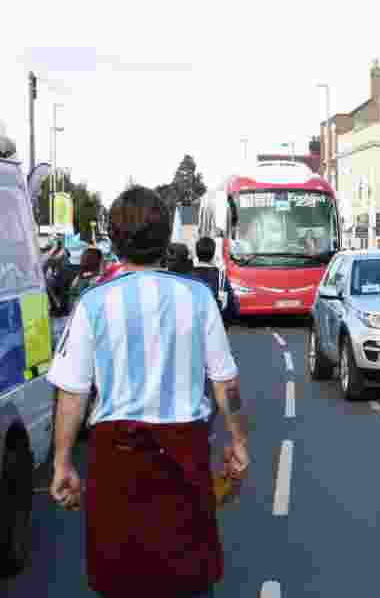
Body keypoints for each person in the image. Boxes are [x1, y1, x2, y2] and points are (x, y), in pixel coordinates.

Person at [47, 186, 249, 598]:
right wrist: (238, 439)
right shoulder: (198, 298)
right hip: (184, 454)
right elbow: (225, 383)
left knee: (121, 577)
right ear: (164, 239)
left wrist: (62, 461)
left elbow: (72, 393)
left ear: (115, 240)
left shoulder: (92, 304)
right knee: (188, 577)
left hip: (116, 459)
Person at [193, 237, 240, 327]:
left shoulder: (188, 276)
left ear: (197, 253)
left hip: (193, 327)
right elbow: (232, 307)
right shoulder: (221, 278)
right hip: (215, 327)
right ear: (213, 254)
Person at [66, 247, 103, 313]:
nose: (81, 258)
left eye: (83, 256)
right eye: (82, 256)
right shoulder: (82, 275)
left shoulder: (94, 279)